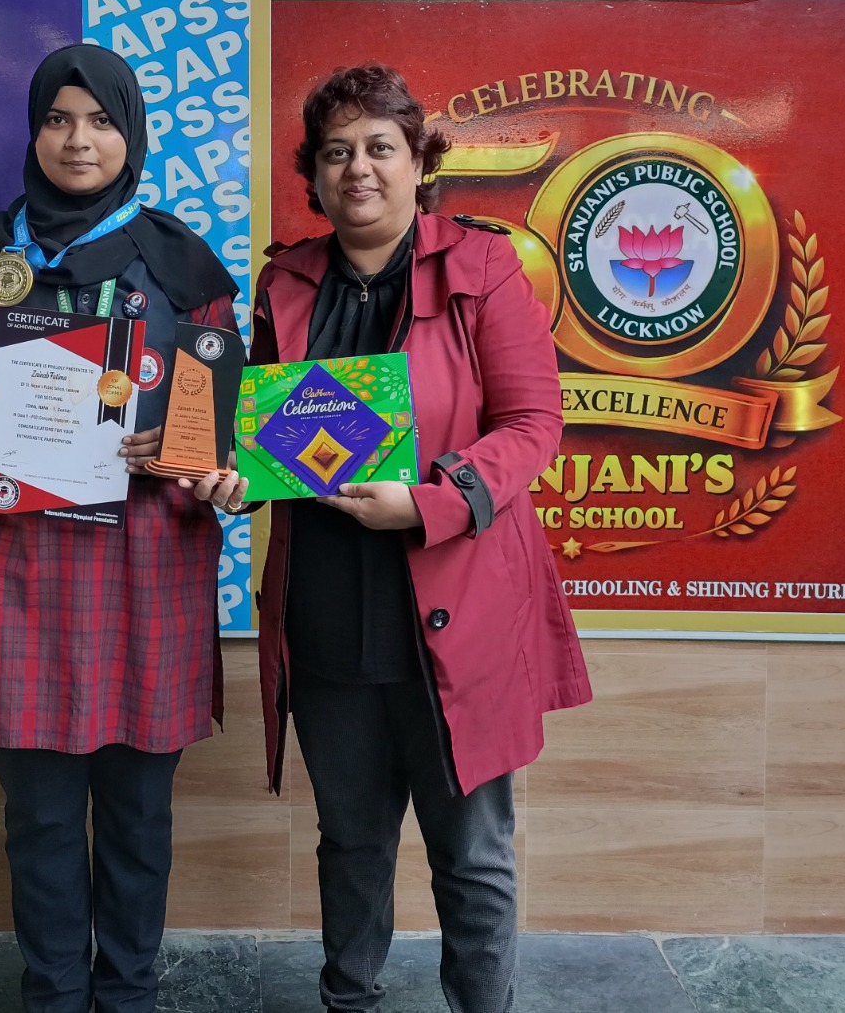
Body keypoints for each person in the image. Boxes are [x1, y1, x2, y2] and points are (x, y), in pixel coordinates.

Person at [195, 63, 591, 1013]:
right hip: (328, 614)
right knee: (351, 843)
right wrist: (232, 481)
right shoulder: (284, 282)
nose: (358, 169)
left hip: (456, 615)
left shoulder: (484, 268)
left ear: (420, 163)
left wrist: (430, 502)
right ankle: (349, 1001)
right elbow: (265, 441)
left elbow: (534, 426)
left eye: (380, 147)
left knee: (472, 853)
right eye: (337, 152)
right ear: (313, 174)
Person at [0, 44, 238, 1013]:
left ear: (130, 132)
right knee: (42, 816)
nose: (78, 140)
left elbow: (220, 430)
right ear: (35, 132)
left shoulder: (184, 260)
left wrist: (181, 448)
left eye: (99, 120)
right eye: (57, 119)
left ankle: (127, 992)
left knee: (139, 813)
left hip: (150, 562)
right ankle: (53, 994)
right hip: (24, 562)